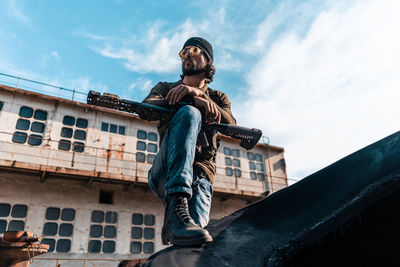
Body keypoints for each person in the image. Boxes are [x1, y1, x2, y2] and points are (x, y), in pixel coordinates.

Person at [140, 37, 236, 246]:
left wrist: (197, 94)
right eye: (183, 52)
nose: (187, 55)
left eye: (193, 50)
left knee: (194, 243)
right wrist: (190, 100)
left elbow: (231, 124)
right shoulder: (165, 87)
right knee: (189, 113)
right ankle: (176, 207)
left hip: (201, 176)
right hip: (166, 170)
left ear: (209, 62)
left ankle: (176, 223)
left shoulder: (219, 98)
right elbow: (146, 108)